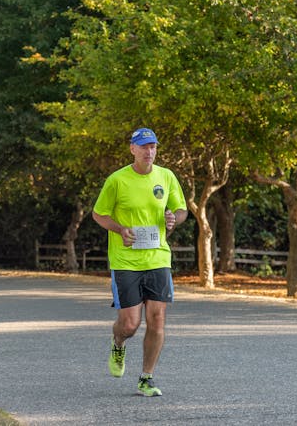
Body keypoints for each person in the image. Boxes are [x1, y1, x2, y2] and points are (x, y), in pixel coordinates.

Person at [92, 127, 188, 397]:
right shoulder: (117, 180)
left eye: (153, 146)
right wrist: (120, 229)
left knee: (157, 320)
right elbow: (99, 215)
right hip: (125, 261)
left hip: (158, 256)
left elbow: (181, 210)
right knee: (130, 324)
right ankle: (118, 343)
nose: (149, 151)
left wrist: (173, 219)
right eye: (144, 146)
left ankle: (147, 377)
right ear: (132, 149)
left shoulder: (166, 177)